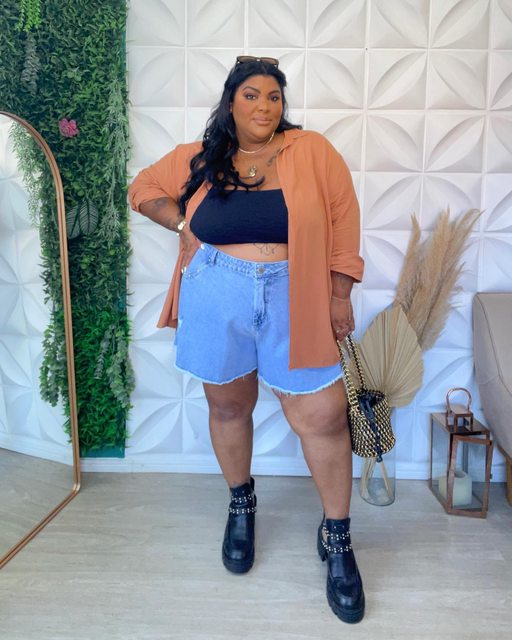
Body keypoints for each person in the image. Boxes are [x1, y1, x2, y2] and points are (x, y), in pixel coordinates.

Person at [128, 56, 365, 624]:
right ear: (231, 102)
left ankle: (337, 536)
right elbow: (142, 188)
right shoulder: (201, 157)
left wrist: (339, 295)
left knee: (322, 416)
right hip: (216, 289)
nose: (265, 106)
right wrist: (183, 224)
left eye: (274, 96)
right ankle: (241, 503)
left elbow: (344, 220)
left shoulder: (312, 151)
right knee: (229, 406)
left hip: (295, 292)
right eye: (252, 95)